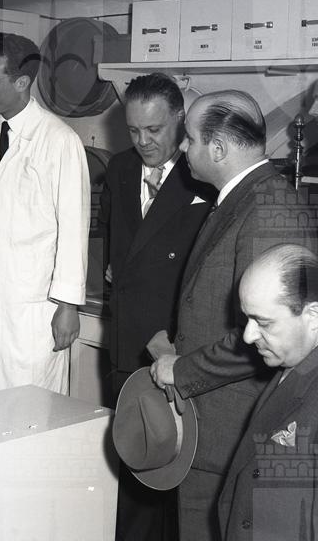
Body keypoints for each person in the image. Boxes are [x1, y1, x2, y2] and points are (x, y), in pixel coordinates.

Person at [150, 90, 315, 541]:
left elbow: (269, 334)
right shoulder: (241, 198)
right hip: (209, 428)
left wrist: (181, 369)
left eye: (190, 139)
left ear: (218, 149)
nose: (183, 148)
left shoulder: (269, 208)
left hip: (228, 434)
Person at [0, 34, 90, 400]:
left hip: (30, 301)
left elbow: (74, 229)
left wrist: (68, 305)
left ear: (22, 82)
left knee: (26, 407)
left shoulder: (59, 140)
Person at [100, 72, 213, 541]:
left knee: (177, 487)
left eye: (154, 129)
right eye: (133, 130)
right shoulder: (120, 170)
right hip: (128, 348)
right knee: (135, 472)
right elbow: (116, 247)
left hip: (175, 351)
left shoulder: (202, 176)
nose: (143, 141)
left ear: (180, 120)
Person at [218, 244, 318, 540]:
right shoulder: (292, 367)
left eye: (263, 323)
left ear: (313, 315)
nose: (248, 336)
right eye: (247, 320)